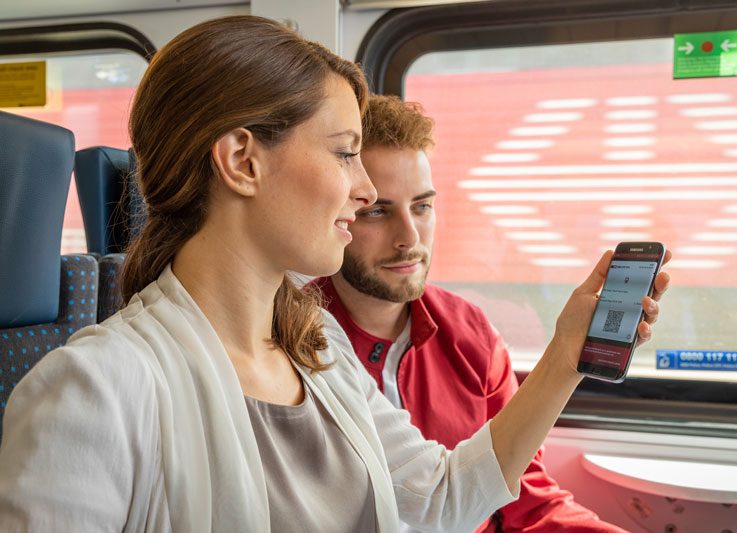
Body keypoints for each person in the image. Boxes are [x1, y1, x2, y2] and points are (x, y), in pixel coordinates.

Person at [0, 16, 669, 533]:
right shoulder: (93, 391)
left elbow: (439, 499)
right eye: (346, 154)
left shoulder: (318, 351)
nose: (363, 187)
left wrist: (567, 352)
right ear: (241, 160)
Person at [313, 94, 632, 532]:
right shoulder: (300, 339)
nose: (409, 237)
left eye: (422, 206)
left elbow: (526, 502)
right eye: (377, 212)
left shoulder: (471, 333)